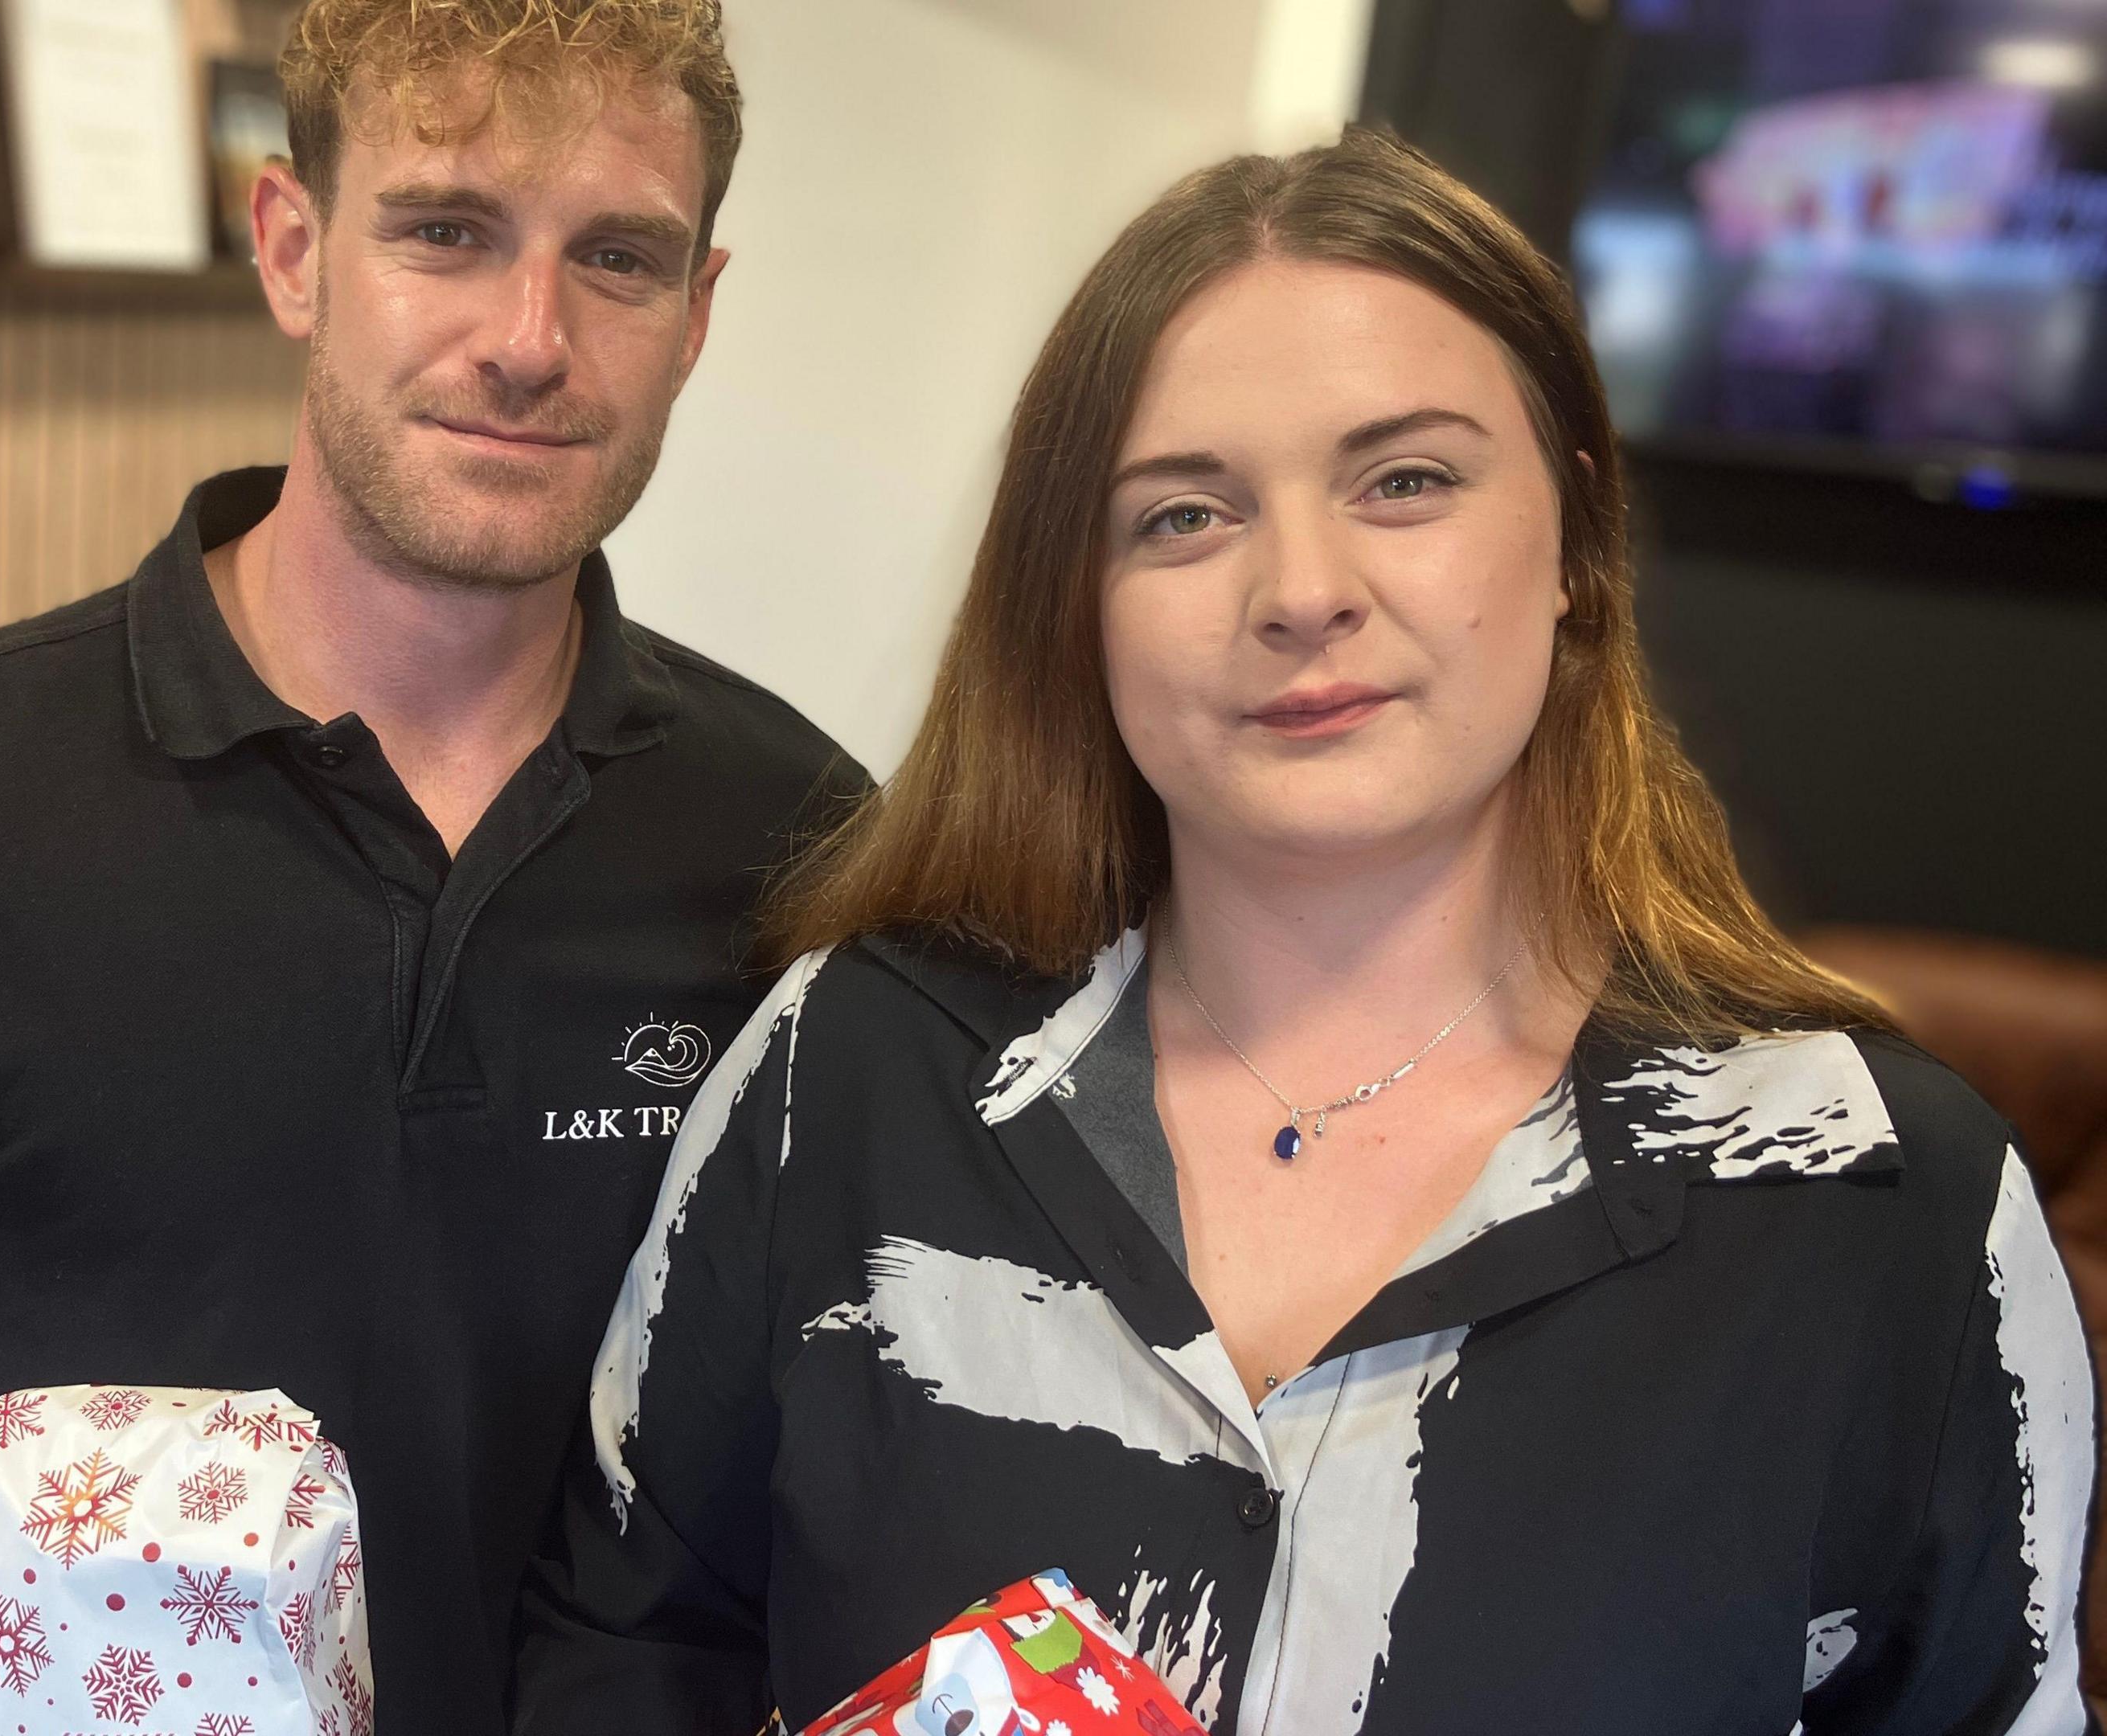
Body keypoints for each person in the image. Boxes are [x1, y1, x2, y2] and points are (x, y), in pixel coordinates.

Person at [514, 129, 2095, 1736]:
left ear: (1574, 540)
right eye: (1185, 518)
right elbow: (633, 1645)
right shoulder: (849, 1069)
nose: (1301, 589)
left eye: (1404, 480)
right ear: (1078, 604)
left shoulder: (1886, 1208)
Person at [0, 5, 862, 1733]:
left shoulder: (804, 848)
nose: (531, 341)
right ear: (292, 250)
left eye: (618, 259)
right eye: (445, 231)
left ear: (697, 316)